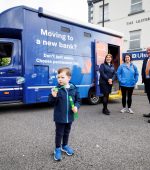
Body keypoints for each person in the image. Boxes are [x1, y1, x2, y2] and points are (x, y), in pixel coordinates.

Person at [48, 67, 80, 161]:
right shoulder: (56, 89)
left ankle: (64, 146)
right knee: (59, 133)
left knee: (67, 132)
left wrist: (76, 107)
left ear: (69, 78)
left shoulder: (74, 88)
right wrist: (53, 96)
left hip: (70, 116)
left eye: (62, 77)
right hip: (59, 117)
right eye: (58, 77)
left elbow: (78, 100)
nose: (60, 79)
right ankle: (57, 148)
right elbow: (50, 102)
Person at [142, 46, 150, 123]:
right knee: (149, 98)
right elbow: (143, 69)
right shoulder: (145, 59)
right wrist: (143, 78)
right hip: (147, 82)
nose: (148, 51)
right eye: (147, 50)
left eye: (149, 50)